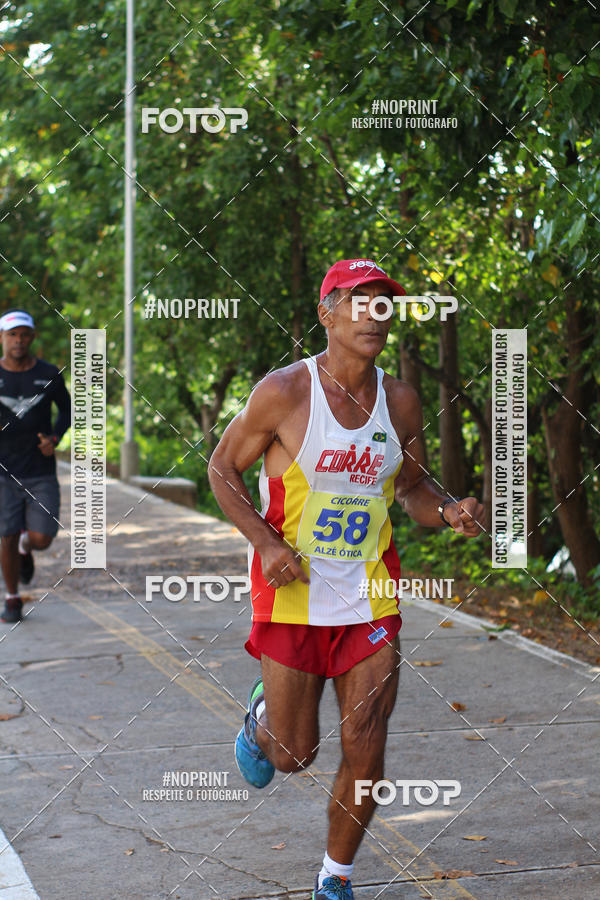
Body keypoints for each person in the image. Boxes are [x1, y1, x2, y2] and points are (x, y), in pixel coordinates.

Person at [208, 259, 484, 900]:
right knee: (292, 755)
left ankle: (336, 878)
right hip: (292, 595)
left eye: (384, 304)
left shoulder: (402, 400)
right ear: (326, 313)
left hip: (370, 599)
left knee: (366, 742)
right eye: (359, 302)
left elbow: (412, 488)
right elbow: (222, 469)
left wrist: (447, 512)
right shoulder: (284, 392)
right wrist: (265, 541)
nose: (374, 315)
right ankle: (260, 721)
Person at [0, 310, 71, 624]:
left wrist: (55, 438)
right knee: (6, 535)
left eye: (24, 334)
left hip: (40, 470)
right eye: (12, 334)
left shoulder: (48, 373)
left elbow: (66, 411)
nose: (18, 340)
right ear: (2, 338)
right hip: (3, 473)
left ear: (32, 337)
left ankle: (28, 548)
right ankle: (12, 598)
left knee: (42, 537)